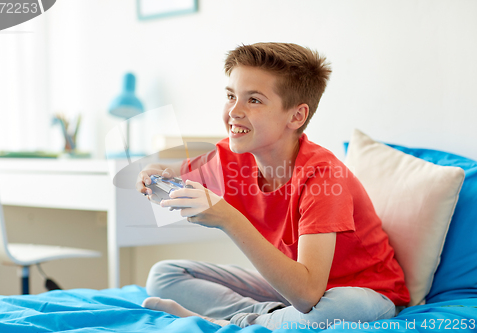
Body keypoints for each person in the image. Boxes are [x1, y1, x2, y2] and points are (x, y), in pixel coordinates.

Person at [135, 42, 410, 329]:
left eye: (253, 100)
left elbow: (307, 295)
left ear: (296, 116)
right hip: (288, 289)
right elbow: (174, 175)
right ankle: (265, 315)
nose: (234, 111)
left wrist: (229, 219)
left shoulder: (323, 177)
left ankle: (235, 321)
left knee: (343, 307)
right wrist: (154, 176)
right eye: (231, 96)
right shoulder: (230, 157)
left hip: (363, 293)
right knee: (164, 275)